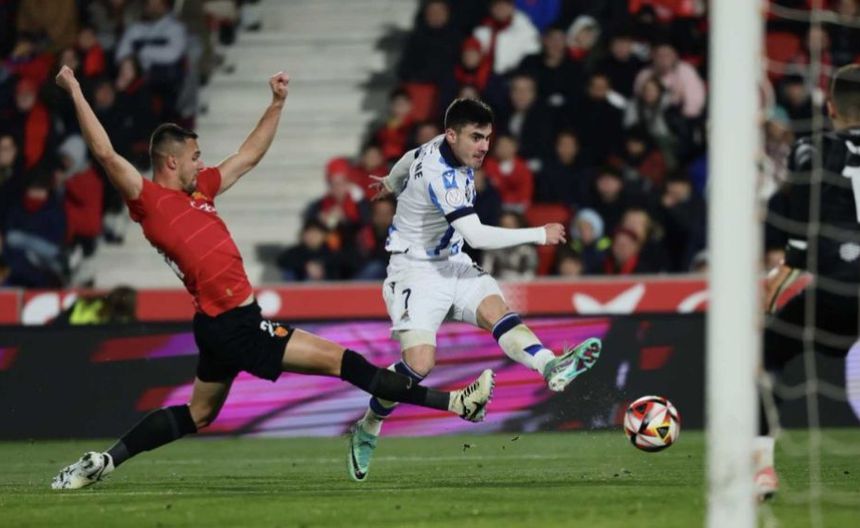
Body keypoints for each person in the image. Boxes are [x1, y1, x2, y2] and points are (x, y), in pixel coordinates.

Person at [50, 65, 495, 490]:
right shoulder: (148, 201)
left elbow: (247, 156)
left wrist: (277, 104)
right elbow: (105, 153)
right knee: (348, 364)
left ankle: (105, 461)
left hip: (216, 324)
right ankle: (456, 402)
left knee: (198, 414)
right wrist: (75, 90)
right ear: (170, 161)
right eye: (194, 157)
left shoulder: (200, 190)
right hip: (238, 326)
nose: (201, 164)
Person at [347, 98, 602, 482]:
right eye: (476, 137)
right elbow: (476, 235)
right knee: (418, 365)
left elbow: (409, 157)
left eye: (487, 137)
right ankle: (369, 425)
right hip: (415, 272)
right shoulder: (443, 176)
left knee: (498, 313)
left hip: (453, 262)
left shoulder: (440, 145)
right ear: (453, 135)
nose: (484, 146)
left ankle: (551, 365)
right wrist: (539, 234)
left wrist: (391, 182)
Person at [757, 64, 860, 500]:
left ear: (830, 107)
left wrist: (779, 277)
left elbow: (798, 243)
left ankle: (763, 470)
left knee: (765, 356)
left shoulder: (810, 150)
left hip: (834, 294)